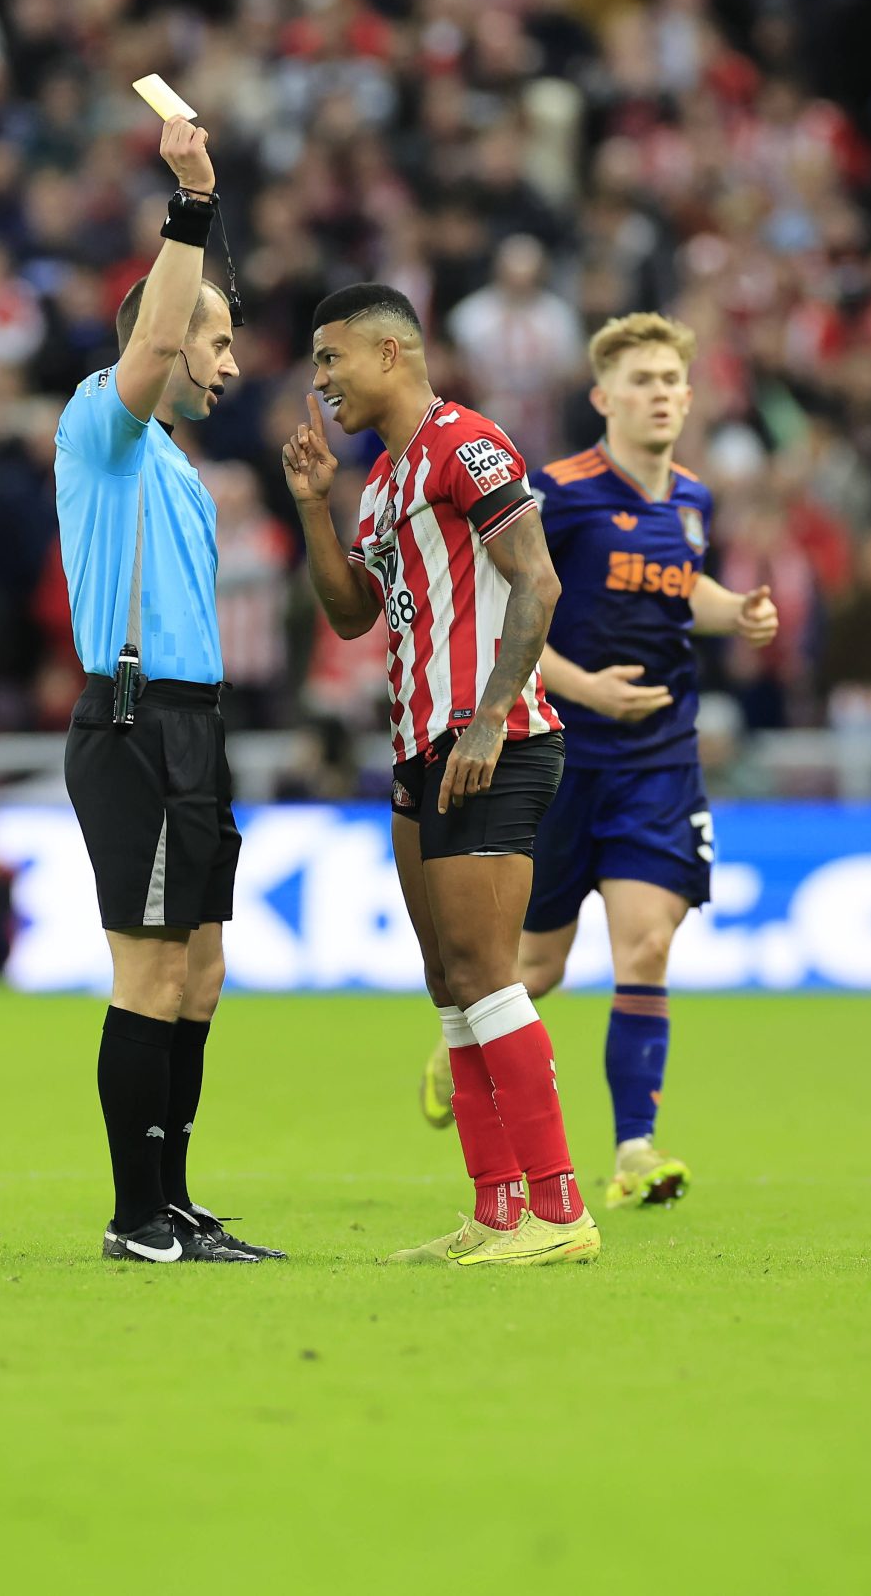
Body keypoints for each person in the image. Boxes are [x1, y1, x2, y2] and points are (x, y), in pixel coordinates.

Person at [413, 312, 775, 1212]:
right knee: (534, 968)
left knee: (647, 943)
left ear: (689, 398)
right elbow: (511, 607)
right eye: (641, 380)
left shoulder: (691, 500)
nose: (659, 393)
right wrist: (587, 686)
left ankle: (634, 1151)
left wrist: (744, 613)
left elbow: (684, 589)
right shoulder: (561, 492)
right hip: (564, 754)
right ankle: (460, 1038)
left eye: (670, 381)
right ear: (602, 397)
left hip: (659, 760)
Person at [281, 282, 596, 1268]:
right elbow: (347, 617)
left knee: (488, 974)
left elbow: (538, 580)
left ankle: (560, 1212)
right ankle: (494, 1211)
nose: (319, 378)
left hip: (486, 740)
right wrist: (309, 507)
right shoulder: (380, 482)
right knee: (449, 983)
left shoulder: (468, 444)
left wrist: (493, 714)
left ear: (388, 354)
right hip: (419, 747)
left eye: (330, 358)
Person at [52, 116, 275, 1266]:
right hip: (134, 723)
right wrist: (190, 202)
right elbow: (150, 346)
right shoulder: (107, 425)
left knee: (198, 972)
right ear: (159, 337)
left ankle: (174, 1201)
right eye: (218, 340)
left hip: (192, 725)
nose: (230, 363)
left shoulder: (176, 469)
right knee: (147, 969)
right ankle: (134, 1216)